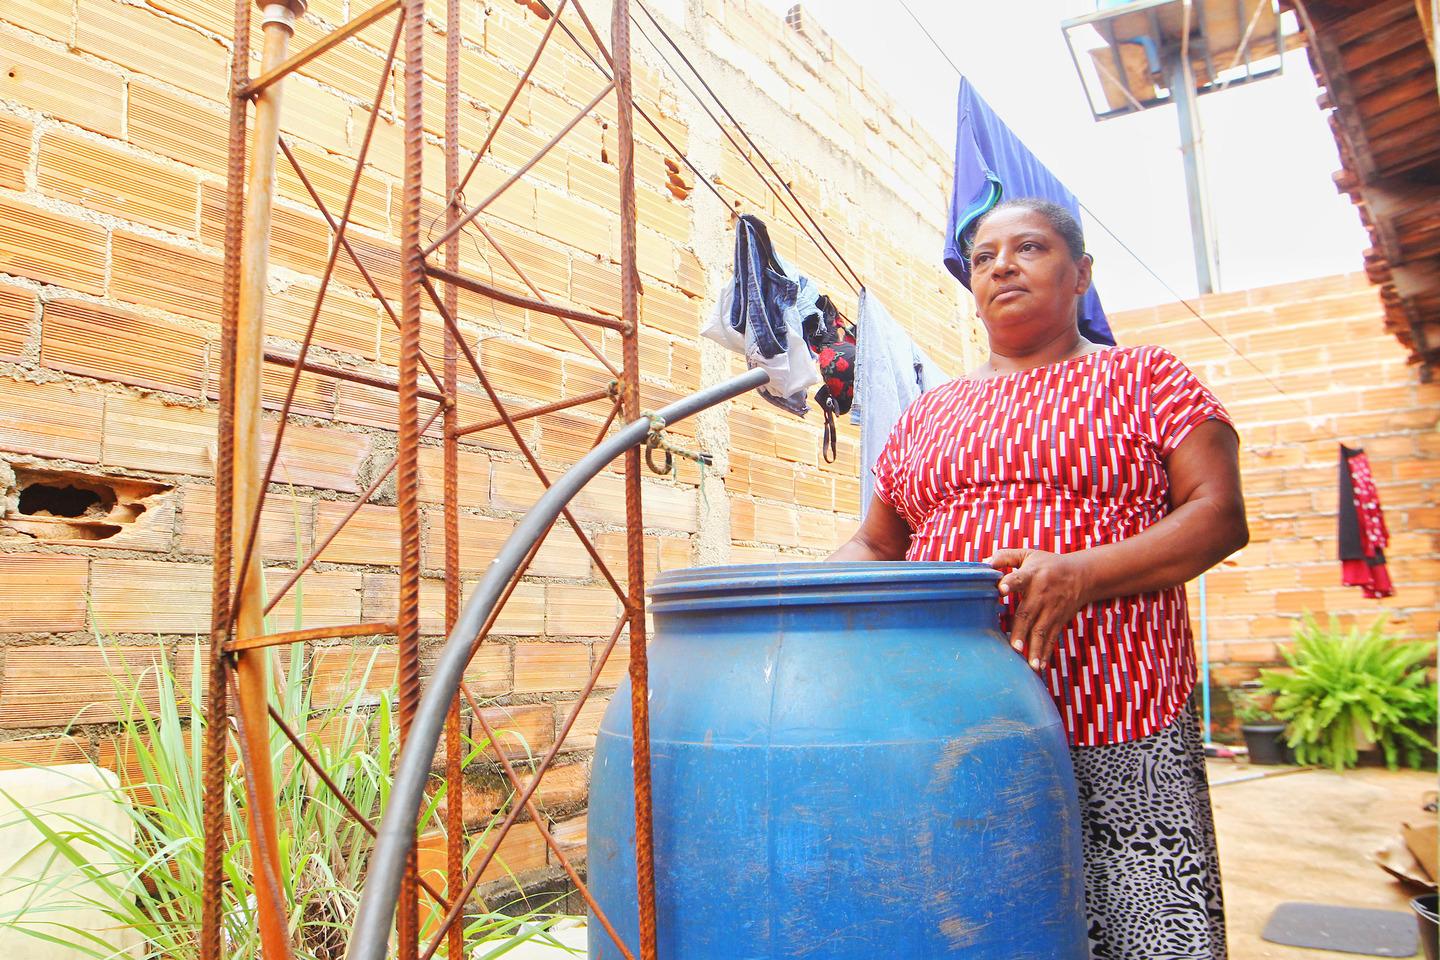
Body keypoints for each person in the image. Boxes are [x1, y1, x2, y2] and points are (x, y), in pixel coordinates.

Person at [831, 198, 1247, 960]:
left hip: (1120, 700)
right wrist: (802, 601)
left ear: (1081, 272)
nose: (1002, 266)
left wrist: (1082, 573)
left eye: (1029, 247)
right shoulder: (930, 413)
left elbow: (1219, 513)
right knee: (978, 912)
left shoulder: (1145, 375)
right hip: (952, 718)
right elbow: (875, 542)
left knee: (1144, 917)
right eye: (985, 257)